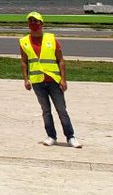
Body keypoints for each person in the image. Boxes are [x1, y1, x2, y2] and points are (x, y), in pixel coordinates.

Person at [19, 12, 81, 148]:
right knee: (46, 110)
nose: (33, 24)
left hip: (53, 80)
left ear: (42, 24)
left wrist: (63, 79)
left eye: (36, 22)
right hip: (37, 81)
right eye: (30, 22)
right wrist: (26, 79)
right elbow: (24, 61)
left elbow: (61, 60)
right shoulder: (24, 42)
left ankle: (70, 136)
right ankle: (51, 136)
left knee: (61, 110)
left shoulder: (51, 39)